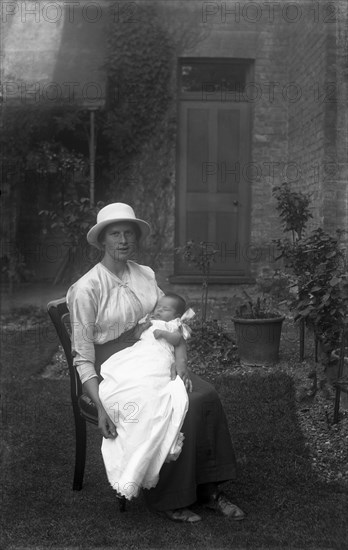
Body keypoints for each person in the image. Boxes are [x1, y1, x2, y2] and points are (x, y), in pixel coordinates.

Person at [67, 202, 245, 523]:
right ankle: (169, 498)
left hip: (151, 354)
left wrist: (179, 359)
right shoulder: (86, 289)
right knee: (171, 405)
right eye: (114, 234)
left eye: (128, 234)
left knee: (205, 396)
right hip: (113, 369)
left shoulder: (145, 274)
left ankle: (208, 488)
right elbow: (83, 357)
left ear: (136, 239)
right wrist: (101, 406)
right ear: (102, 241)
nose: (123, 241)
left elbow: (170, 318)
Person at [99, 293, 195, 500]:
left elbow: (178, 343)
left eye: (165, 309)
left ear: (177, 315)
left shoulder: (175, 326)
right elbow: (137, 338)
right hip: (139, 355)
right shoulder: (151, 321)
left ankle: (144, 447)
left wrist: (163, 333)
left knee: (150, 385)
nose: (159, 310)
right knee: (124, 377)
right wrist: (143, 327)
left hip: (158, 357)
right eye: (158, 306)